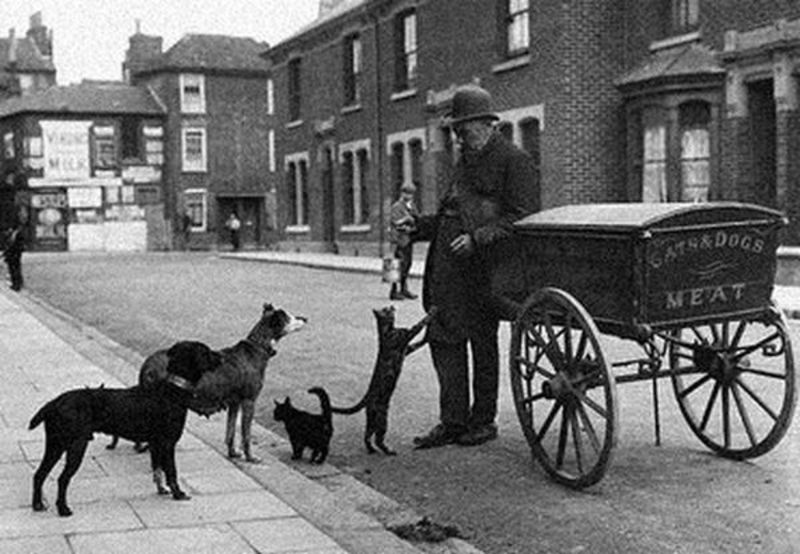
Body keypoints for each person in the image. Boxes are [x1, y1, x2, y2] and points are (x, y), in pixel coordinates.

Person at [411, 84, 539, 448]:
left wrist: (478, 238)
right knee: (445, 339)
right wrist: (418, 227)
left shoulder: (514, 161)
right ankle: (452, 421)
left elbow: (523, 218)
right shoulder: (465, 162)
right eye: (455, 131)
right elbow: (451, 214)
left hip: (487, 272)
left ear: (486, 124)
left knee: (483, 344)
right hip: (449, 272)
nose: (459, 138)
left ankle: (483, 422)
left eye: (463, 130)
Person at [388, 182, 419, 300]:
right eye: (406, 193)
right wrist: (406, 223)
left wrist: (413, 225)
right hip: (398, 240)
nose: (408, 196)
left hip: (408, 240)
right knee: (397, 265)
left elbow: (417, 220)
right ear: (401, 193)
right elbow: (395, 223)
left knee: (407, 264)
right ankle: (394, 291)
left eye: (411, 194)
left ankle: (404, 289)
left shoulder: (412, 207)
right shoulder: (397, 207)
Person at [3, 222, 25, 291]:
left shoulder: (19, 234)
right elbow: (8, 245)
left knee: (15, 269)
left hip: (15, 255)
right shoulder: (11, 235)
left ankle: (17, 284)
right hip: (11, 255)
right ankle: (16, 283)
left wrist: (17, 252)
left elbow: (19, 245)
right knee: (13, 269)